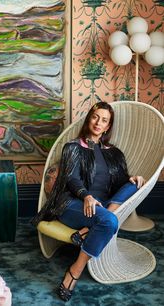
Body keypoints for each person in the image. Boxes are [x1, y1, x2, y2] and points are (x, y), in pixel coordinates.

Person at [31, 102, 146, 302]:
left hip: (101, 207)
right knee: (109, 222)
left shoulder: (114, 153)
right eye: (95, 117)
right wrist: (86, 195)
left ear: (108, 126)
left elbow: (119, 182)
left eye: (104, 120)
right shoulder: (73, 147)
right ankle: (75, 270)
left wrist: (132, 178)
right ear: (89, 119)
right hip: (73, 204)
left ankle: (88, 229)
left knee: (134, 184)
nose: (98, 123)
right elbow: (71, 178)